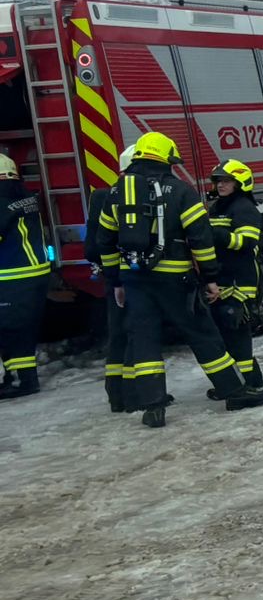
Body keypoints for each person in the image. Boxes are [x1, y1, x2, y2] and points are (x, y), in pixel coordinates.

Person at [96, 132, 263, 426]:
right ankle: (234, 391)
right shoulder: (180, 190)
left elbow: (105, 241)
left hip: (135, 280)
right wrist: (211, 277)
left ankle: (153, 406)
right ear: (166, 159)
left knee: (144, 340)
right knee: (202, 334)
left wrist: (116, 281)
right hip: (176, 279)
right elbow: (200, 238)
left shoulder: (117, 192)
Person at [204, 158, 263, 397]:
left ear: (239, 182)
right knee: (226, 335)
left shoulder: (243, 207)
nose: (221, 185)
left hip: (241, 281)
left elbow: (246, 242)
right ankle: (243, 381)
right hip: (223, 278)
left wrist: (213, 233)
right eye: (218, 181)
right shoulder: (219, 206)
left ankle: (247, 384)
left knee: (237, 334)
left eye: (227, 181)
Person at [85, 145, 139, 411]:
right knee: (137, 336)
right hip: (133, 279)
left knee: (117, 336)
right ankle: (133, 396)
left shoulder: (101, 197)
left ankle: (116, 397)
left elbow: (91, 248)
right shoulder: (136, 198)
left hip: (111, 279)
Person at [0, 151, 52, 402]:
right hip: (35, 273)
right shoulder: (25, 197)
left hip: (13, 276)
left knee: (11, 331)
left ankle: (23, 381)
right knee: (22, 329)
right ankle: (19, 377)